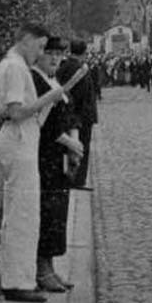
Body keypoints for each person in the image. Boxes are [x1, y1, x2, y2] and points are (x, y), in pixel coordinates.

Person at [0, 23, 87, 303]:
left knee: (26, 215)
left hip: (24, 139)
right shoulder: (14, 67)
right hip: (18, 138)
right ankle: (17, 282)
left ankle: (23, 278)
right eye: (41, 47)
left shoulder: (16, 66)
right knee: (22, 216)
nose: (43, 53)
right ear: (26, 40)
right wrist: (51, 96)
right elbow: (16, 111)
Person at [31, 37, 84, 293]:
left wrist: (74, 141)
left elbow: (70, 113)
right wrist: (69, 143)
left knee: (57, 213)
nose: (55, 59)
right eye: (49, 53)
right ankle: (41, 269)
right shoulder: (36, 81)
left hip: (60, 158)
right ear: (39, 55)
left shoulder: (55, 82)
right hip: (45, 156)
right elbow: (44, 124)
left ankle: (51, 267)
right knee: (47, 212)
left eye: (59, 54)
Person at [56, 40, 97, 191]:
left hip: (64, 113)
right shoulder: (81, 69)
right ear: (84, 52)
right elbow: (83, 95)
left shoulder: (62, 67)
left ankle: (66, 176)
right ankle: (78, 180)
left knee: (66, 147)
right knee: (82, 148)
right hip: (81, 115)